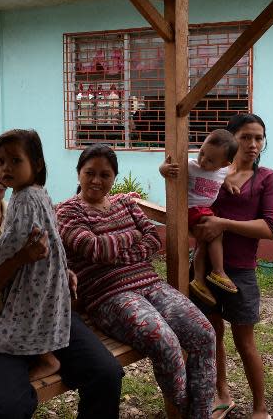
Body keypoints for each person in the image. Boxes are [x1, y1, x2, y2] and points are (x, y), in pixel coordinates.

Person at [0, 139, 124, 419]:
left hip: (43, 314)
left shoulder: (23, 206)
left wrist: (62, 275)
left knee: (105, 374)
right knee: (9, 408)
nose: (0, 174)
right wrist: (18, 259)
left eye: (6, 165)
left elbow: (48, 256)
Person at [56, 144, 216, 419]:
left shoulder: (125, 202)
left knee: (204, 333)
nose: (96, 180)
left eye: (105, 175)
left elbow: (154, 240)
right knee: (164, 342)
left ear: (114, 177)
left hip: (150, 284)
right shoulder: (68, 211)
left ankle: (199, 414)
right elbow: (96, 250)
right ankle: (186, 407)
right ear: (78, 172)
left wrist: (116, 249)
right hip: (107, 295)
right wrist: (132, 236)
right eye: (89, 172)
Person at [189, 113, 273, 419]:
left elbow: (270, 228)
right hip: (202, 270)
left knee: (245, 342)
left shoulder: (266, 178)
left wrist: (223, 224)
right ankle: (222, 394)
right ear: (231, 139)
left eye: (259, 138)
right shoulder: (212, 171)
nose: (254, 144)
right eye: (246, 137)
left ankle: (260, 408)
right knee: (210, 335)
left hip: (239, 271)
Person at [0, 129, 69, 376]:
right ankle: (43, 355)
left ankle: (45, 359)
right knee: (38, 311)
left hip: (37, 270)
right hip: (49, 266)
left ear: (37, 164)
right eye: (0, 162)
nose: (5, 168)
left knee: (26, 311)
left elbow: (14, 236)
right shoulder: (38, 192)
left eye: (15, 160)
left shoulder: (23, 198)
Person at [159, 129, 240, 306]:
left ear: (224, 163)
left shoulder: (223, 171)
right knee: (216, 230)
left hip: (204, 211)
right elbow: (165, 169)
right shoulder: (190, 165)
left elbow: (222, 177)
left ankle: (198, 280)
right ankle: (218, 271)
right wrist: (164, 169)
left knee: (204, 243)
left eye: (210, 160)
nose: (202, 160)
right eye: (202, 152)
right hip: (190, 209)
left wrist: (229, 185)